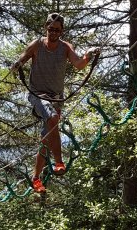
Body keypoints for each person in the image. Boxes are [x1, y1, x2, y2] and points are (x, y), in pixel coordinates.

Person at [11, 13, 100, 193]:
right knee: (52, 118)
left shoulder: (65, 47)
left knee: (46, 139)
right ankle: (59, 162)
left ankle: (36, 179)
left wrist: (89, 55)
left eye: (57, 30)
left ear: (61, 31)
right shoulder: (37, 44)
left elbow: (79, 64)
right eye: (50, 29)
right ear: (46, 28)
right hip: (37, 95)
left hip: (56, 98)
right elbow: (22, 57)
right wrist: (16, 64)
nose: (53, 33)